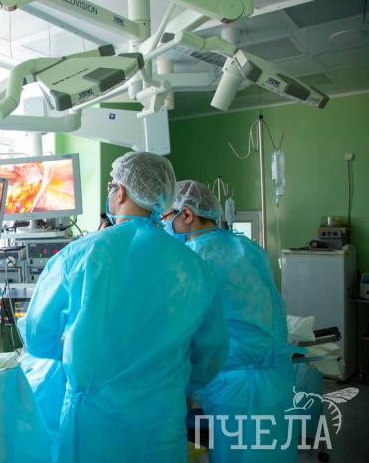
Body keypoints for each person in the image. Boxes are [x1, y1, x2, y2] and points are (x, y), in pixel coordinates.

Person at [23, 152, 228, 463]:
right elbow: (210, 355)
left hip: (92, 430)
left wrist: (76, 352)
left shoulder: (80, 255)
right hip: (159, 426)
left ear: (120, 191)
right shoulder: (194, 266)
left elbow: (38, 337)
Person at [162, 180, 297, 463]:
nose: (164, 225)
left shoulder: (192, 259)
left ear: (187, 214)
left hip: (233, 387)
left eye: (165, 217)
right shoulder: (247, 248)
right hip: (273, 377)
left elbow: (185, 328)